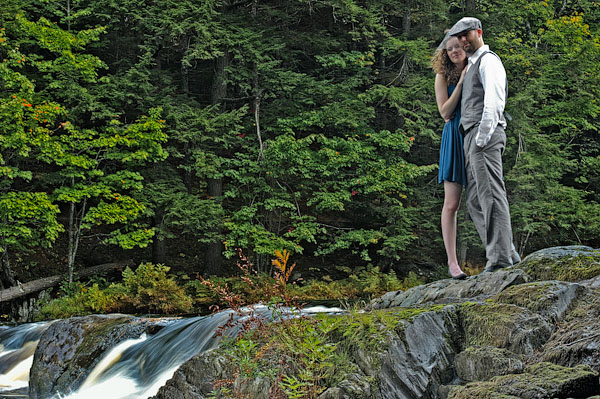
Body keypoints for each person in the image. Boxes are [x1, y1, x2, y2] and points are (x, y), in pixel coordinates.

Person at [447, 17, 521, 272]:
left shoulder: (489, 61)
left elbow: (494, 101)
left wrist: (481, 137)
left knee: (490, 195)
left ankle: (500, 260)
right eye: (460, 38)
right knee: (476, 201)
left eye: (467, 35)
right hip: (472, 136)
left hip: (483, 135)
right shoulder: (473, 64)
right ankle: (507, 252)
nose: (464, 41)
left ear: (479, 32)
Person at [432, 34, 468, 279]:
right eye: (450, 48)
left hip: (475, 133)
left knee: (481, 198)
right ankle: (453, 263)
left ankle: (496, 254)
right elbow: (444, 111)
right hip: (454, 136)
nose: (455, 51)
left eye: (458, 46)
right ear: (445, 52)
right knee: (452, 203)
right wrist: (461, 84)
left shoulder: (478, 65)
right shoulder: (442, 76)